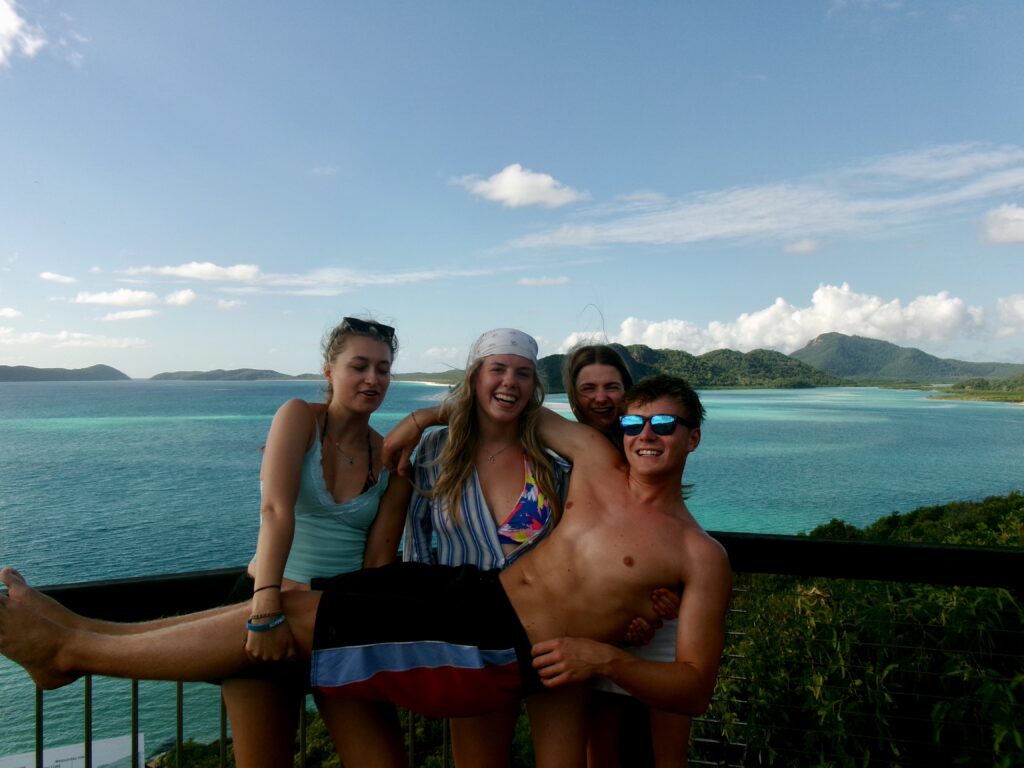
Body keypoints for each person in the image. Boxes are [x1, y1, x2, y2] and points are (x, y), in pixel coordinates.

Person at [0, 374, 732, 768]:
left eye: (663, 425)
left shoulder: (698, 554)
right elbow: (503, 396)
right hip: (468, 593)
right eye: (634, 422)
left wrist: (606, 658)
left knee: (292, 619)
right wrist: (417, 422)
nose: (644, 435)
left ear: (694, 438)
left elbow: (695, 685)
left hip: (493, 644)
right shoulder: (595, 463)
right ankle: (83, 628)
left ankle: (70, 652)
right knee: (290, 597)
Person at [1, 316, 413, 768]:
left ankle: (67, 636)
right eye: (359, 366)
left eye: (383, 369)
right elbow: (275, 511)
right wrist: (265, 607)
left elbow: (377, 563)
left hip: (334, 622)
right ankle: (63, 634)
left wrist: (423, 418)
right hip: (266, 603)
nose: (373, 379)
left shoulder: (392, 457)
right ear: (330, 371)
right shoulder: (299, 417)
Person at [403, 328, 569, 767]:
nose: (509, 382)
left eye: (523, 373)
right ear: (476, 376)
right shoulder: (436, 450)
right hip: (468, 639)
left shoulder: (552, 461)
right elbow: (416, 547)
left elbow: (582, 546)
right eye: (498, 369)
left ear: (533, 387)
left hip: (549, 634)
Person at [564, 345, 692, 768]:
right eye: (588, 389)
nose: (601, 398)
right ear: (573, 395)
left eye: (612, 387)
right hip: (594, 625)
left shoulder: (644, 444)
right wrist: (424, 418)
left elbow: (670, 531)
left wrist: (674, 595)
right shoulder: (563, 452)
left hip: (657, 623)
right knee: (599, 752)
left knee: (667, 754)